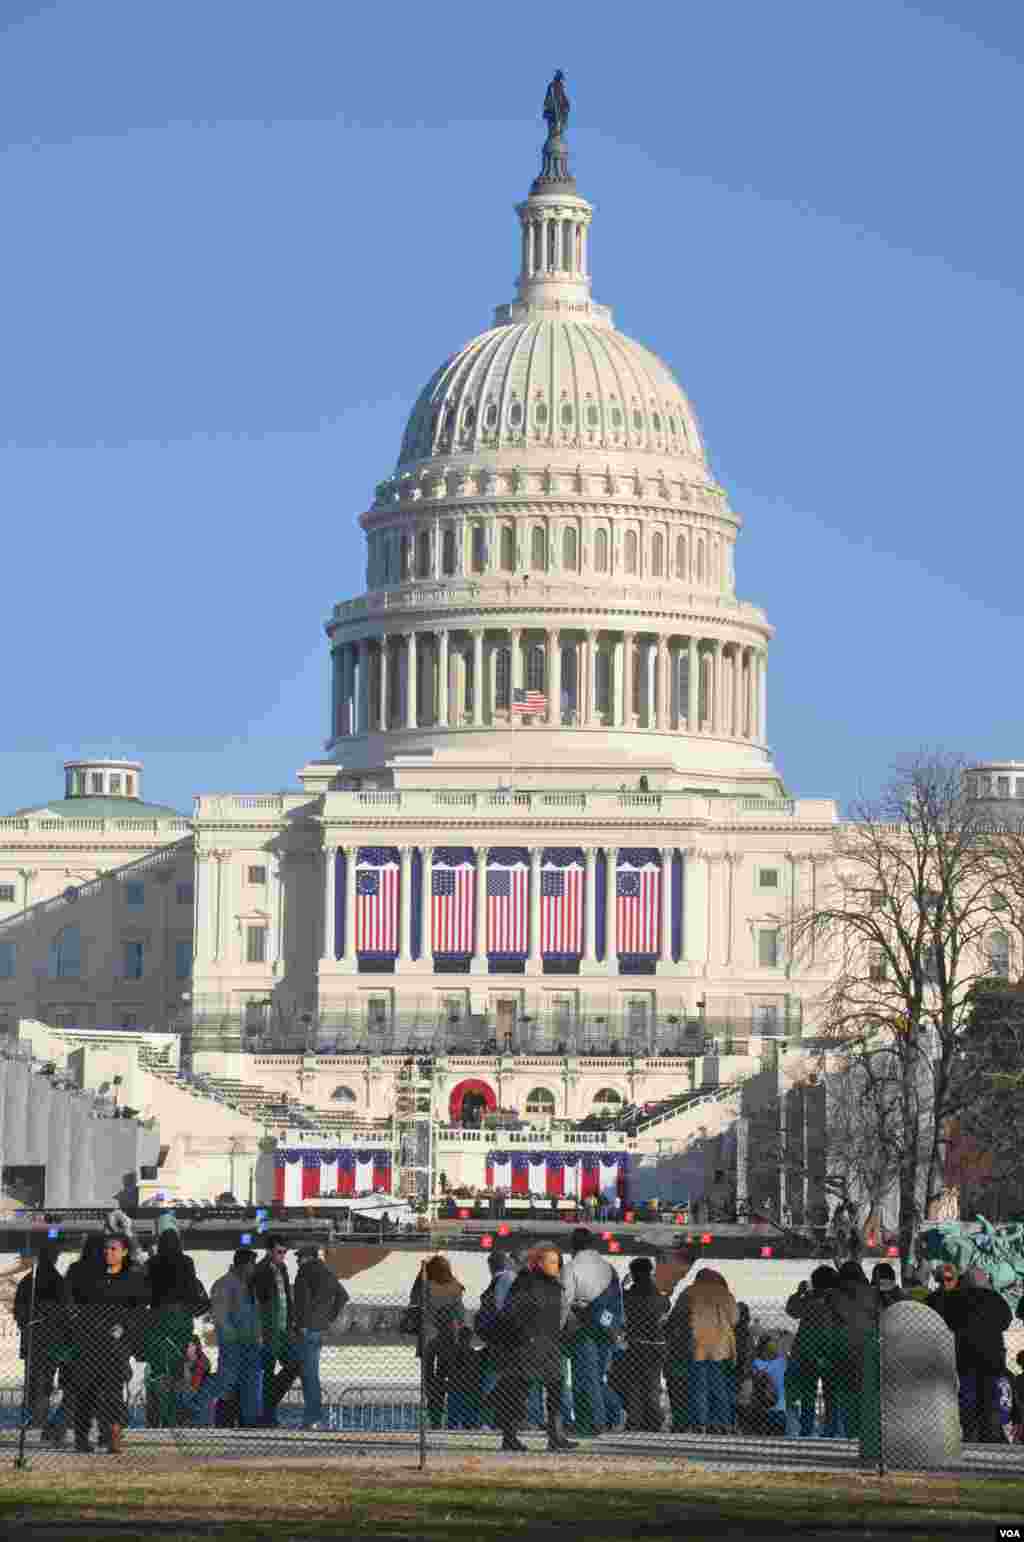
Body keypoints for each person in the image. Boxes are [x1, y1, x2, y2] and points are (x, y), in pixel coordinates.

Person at [70, 1231, 149, 1454]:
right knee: (93, 1391)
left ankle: (108, 1435)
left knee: (106, 1391)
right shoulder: (93, 1276)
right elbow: (77, 1304)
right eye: (105, 1248)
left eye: (113, 1249)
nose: (108, 1252)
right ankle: (92, 1436)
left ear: (123, 1251)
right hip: (95, 1342)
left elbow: (138, 1308)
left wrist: (123, 1326)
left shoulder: (130, 1277)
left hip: (111, 1344)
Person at [495, 1245, 577, 1453]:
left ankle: (555, 1435)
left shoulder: (555, 1286)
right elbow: (511, 1313)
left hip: (550, 1346)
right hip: (528, 1348)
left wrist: (564, 1332)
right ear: (539, 1263)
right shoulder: (525, 1283)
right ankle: (510, 1437)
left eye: (558, 1262)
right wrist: (527, 1336)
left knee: (556, 1389)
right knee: (519, 1392)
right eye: (551, 1262)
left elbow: (559, 1316)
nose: (556, 1266)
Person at [932, 1266, 1012, 1443]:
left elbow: (947, 1321)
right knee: (991, 1397)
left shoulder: (955, 1299)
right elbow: (1006, 1321)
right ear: (984, 1281)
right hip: (992, 1357)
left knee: (968, 1397)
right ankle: (991, 1434)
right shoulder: (996, 1299)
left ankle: (970, 1434)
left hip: (965, 1355)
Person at [144, 1216, 210, 1427]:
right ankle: (173, 1416)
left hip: (156, 1320)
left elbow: (145, 1291)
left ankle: (158, 1416)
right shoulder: (186, 1262)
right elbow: (191, 1291)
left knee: (157, 1369)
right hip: (181, 1319)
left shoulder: (152, 1263)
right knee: (177, 1370)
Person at [561, 1228, 621, 1439]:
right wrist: (613, 1327)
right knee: (597, 1377)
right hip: (607, 1327)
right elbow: (616, 1302)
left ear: (573, 1246)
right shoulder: (609, 1268)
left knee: (583, 1378)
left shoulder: (571, 1268)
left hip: (583, 1329)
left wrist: (560, 1327)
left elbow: (565, 1302)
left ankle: (590, 1423)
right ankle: (611, 1415)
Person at [13, 1245, 70, 1439]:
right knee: (45, 1381)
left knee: (34, 1382)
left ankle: (33, 1421)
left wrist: (29, 1326)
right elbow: (66, 1313)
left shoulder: (28, 1282)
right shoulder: (59, 1282)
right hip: (53, 1342)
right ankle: (40, 1421)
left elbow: (19, 1313)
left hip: (33, 1341)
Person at [206, 1247, 263, 1428]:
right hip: (234, 1346)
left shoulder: (249, 1286)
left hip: (251, 1345)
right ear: (243, 1265)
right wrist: (235, 1338)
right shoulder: (223, 1284)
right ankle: (224, 1423)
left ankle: (250, 1422)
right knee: (228, 1385)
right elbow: (221, 1317)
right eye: (252, 1265)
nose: (254, 1269)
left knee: (250, 1386)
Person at [292, 1244, 348, 1430]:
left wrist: (301, 1324)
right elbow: (343, 1296)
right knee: (312, 1374)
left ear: (307, 1257)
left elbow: (301, 1302)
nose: (297, 1260)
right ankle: (313, 1418)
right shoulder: (327, 1272)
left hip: (306, 1330)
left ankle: (312, 1418)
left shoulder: (304, 1272)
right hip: (319, 1329)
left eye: (299, 1257)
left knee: (308, 1376)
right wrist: (329, 1317)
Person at [677, 1267, 737, 1433]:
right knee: (719, 1386)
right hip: (719, 1347)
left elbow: (678, 1315)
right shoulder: (724, 1294)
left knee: (698, 1385)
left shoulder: (690, 1292)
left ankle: (700, 1423)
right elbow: (734, 1317)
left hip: (697, 1344)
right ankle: (722, 1423)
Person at [409, 1255, 465, 1429]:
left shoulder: (426, 1286)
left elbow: (413, 1298)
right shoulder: (455, 1287)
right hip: (447, 1337)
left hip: (428, 1335)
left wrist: (421, 1272)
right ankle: (440, 1414)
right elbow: (461, 1315)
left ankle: (432, 1414)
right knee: (443, 1377)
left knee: (428, 1377)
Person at [785, 1266, 841, 1438]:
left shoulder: (810, 1299)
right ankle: (831, 1431)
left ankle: (807, 1430)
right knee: (831, 1395)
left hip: (807, 1352)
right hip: (831, 1351)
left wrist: (799, 1293)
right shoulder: (837, 1299)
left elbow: (792, 1310)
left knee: (808, 1394)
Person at [251, 1236, 300, 1427]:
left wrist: (291, 1325)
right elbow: (258, 1304)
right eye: (279, 1252)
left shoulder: (283, 1270)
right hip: (268, 1331)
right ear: (269, 1251)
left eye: (284, 1252)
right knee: (268, 1373)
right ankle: (267, 1417)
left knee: (295, 1364)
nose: (282, 1256)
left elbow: (286, 1299)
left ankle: (268, 1406)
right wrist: (260, 1331)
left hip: (283, 1331)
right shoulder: (261, 1271)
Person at [617, 1257, 668, 1432]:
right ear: (650, 1272)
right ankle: (654, 1421)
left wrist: (623, 1286)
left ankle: (635, 1421)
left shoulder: (629, 1295)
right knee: (652, 1384)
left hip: (637, 1344)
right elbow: (665, 1307)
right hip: (657, 1345)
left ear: (633, 1274)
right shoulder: (659, 1296)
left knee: (634, 1384)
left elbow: (620, 1306)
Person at [828, 1260, 876, 1441]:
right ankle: (866, 1429)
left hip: (842, 1347)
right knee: (866, 1391)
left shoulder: (835, 1295)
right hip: (867, 1347)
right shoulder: (872, 1294)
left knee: (846, 1392)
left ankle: (849, 1430)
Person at [749, 1336, 788, 1437]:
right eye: (772, 1344)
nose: (775, 1346)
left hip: (776, 1408)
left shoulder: (780, 1361)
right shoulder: (780, 1361)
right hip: (768, 1408)